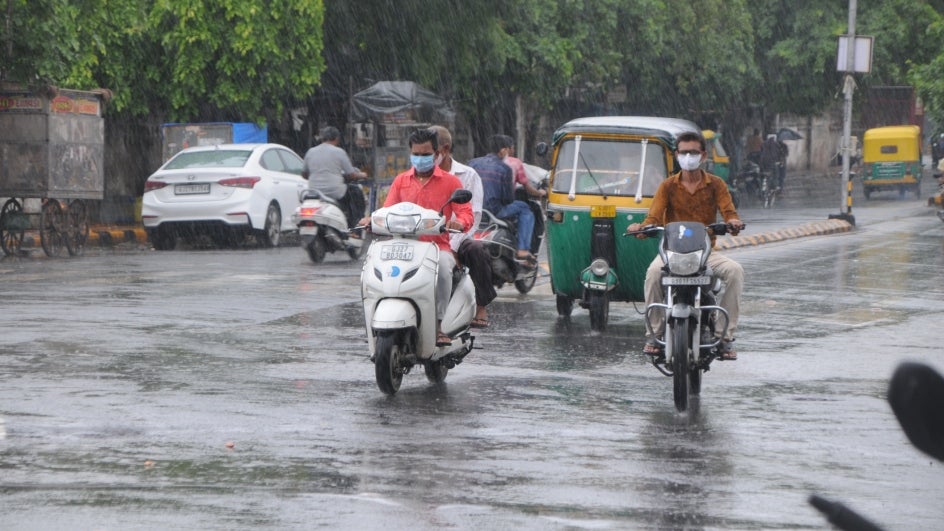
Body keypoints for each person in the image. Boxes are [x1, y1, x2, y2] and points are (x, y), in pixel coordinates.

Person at [625, 131, 745, 360]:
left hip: (705, 254)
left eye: (693, 152)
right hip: (671, 254)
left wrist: (733, 223)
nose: (688, 156)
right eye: (684, 152)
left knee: (735, 271)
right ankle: (654, 334)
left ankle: (725, 337)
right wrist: (641, 228)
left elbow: (730, 214)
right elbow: (654, 218)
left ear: (703, 155)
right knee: (652, 274)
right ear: (676, 155)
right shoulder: (668, 186)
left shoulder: (716, 185)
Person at [359, 129, 473, 346]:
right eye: (416, 154)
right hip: (401, 247)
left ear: (437, 153)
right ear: (410, 153)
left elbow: (465, 212)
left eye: (425, 154)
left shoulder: (450, 183)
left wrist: (459, 223)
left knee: (442, 273)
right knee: (371, 272)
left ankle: (439, 325)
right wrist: (370, 220)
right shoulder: (401, 181)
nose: (420, 159)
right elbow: (387, 210)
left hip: (437, 247)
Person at [428, 125, 496, 329]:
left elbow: (472, 216)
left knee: (477, 251)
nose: (425, 159)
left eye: (431, 153)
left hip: (458, 236)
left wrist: (452, 247)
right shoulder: (419, 177)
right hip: (427, 235)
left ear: (445, 149)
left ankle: (482, 305)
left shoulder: (468, 175)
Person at [468, 135, 536, 262]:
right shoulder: (504, 169)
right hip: (493, 211)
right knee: (525, 209)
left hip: (473, 209)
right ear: (503, 151)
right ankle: (523, 249)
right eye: (509, 149)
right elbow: (508, 199)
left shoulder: (472, 163)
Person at [302, 126, 368, 228]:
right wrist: (363, 175)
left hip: (314, 192)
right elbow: (351, 175)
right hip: (335, 192)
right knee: (356, 193)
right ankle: (356, 227)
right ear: (337, 139)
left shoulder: (310, 151)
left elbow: (304, 175)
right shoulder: (339, 152)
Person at [495, 134, 547, 254]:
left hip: (482, 208)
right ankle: (523, 250)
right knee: (526, 210)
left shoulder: (479, 163)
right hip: (499, 208)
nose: (513, 150)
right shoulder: (515, 163)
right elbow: (529, 188)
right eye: (512, 147)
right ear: (507, 149)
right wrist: (541, 193)